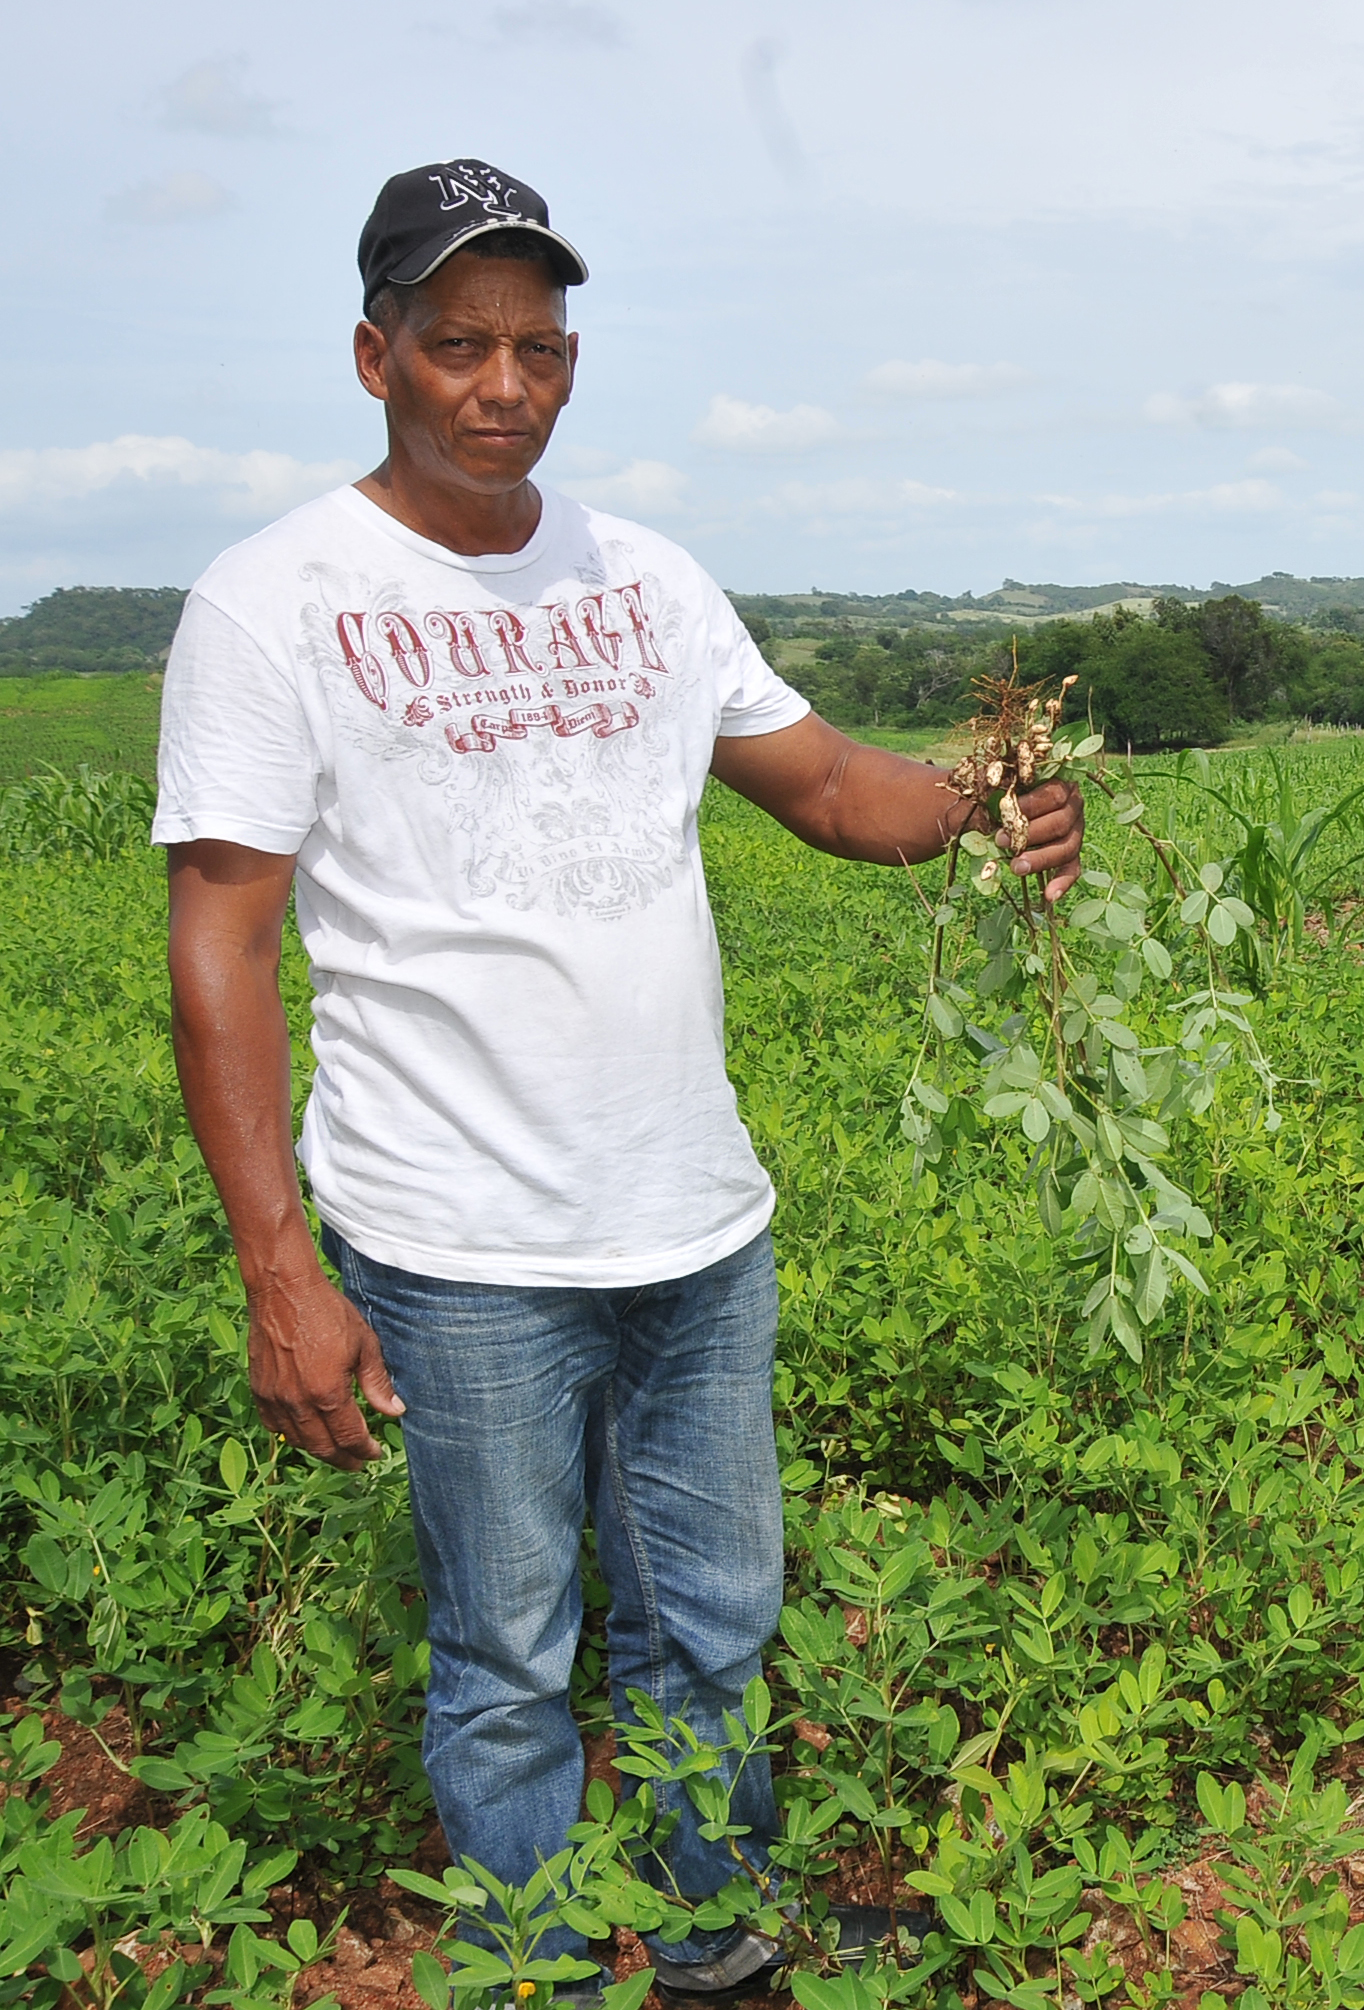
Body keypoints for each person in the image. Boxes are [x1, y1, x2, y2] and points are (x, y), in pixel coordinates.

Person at [153, 160, 1078, 1995]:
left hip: (693, 1219)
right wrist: (279, 1268)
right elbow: (223, 947)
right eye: (458, 345)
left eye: (540, 349)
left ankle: (718, 1937)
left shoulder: (645, 578)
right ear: (377, 357)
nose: (504, 384)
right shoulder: (275, 603)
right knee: (507, 1660)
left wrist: (987, 802)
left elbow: (831, 786)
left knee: (713, 1618)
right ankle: (546, 1970)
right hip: (456, 1243)